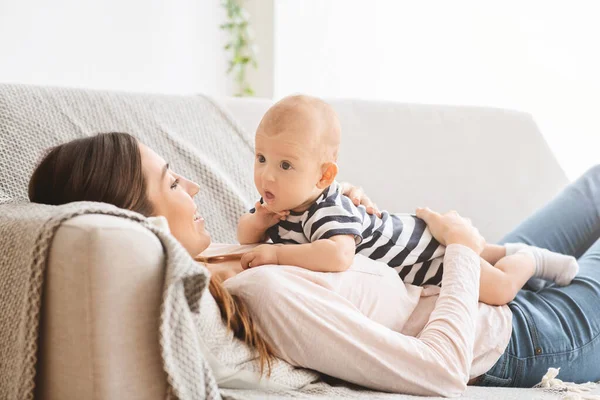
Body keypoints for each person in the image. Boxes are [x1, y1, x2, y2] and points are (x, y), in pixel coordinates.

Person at [29, 132, 600, 396]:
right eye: (173, 183)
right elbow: (439, 372)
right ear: (139, 220)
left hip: (474, 289)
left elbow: (358, 271)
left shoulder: (235, 255)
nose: (197, 186)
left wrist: (337, 212)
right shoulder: (267, 294)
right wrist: (459, 249)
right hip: (526, 337)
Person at [236, 95, 578, 306]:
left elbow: (338, 255)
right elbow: (244, 236)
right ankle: (509, 254)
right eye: (261, 158)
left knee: (500, 289)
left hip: (421, 254)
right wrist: (257, 223)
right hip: (414, 246)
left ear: (324, 176)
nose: (267, 175)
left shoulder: (327, 208)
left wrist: (278, 254)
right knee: (483, 251)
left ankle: (530, 259)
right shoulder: (278, 202)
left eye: (285, 165)